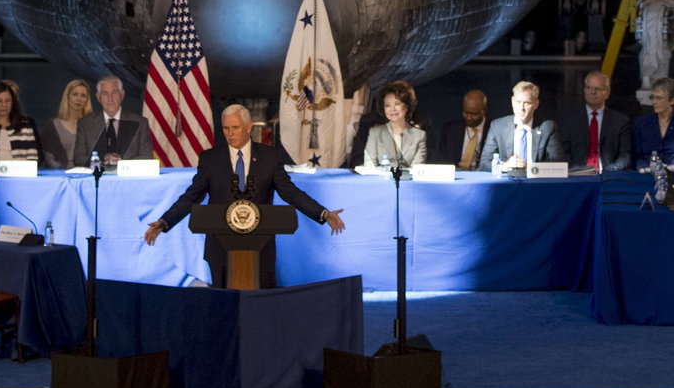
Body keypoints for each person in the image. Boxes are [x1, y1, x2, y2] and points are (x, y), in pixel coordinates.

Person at [146, 102, 347, 285]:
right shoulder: (210, 159)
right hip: (220, 248)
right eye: (226, 128)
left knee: (262, 304)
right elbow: (191, 196)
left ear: (249, 127)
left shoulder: (270, 156)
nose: (230, 133)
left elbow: (290, 193)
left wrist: (323, 213)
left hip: (261, 247)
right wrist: (165, 222)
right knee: (224, 306)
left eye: (235, 128)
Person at [479, 81, 562, 168]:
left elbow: (558, 164)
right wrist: (505, 165)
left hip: (536, 180)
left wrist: (530, 168)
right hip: (508, 180)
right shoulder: (498, 126)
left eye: (527, 103)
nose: (521, 108)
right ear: (512, 101)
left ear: (536, 104)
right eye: (518, 102)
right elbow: (484, 163)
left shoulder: (547, 127)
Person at [631, 77, 674, 170]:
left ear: (672, 100)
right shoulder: (642, 123)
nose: (654, 102)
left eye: (659, 98)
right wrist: (646, 168)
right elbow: (636, 155)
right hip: (647, 175)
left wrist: (671, 168)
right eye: (652, 97)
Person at [571, 70, 633, 172]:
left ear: (607, 92)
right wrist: (578, 171)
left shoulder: (620, 121)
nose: (592, 92)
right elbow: (565, 154)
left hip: (609, 176)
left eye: (597, 89)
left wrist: (608, 172)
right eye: (589, 88)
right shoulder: (571, 121)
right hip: (578, 176)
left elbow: (625, 156)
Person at [83, 76, 154, 163]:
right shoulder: (85, 123)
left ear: (122, 95)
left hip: (129, 176)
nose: (110, 98)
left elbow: (147, 157)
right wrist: (103, 161)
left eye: (114, 93)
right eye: (105, 93)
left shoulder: (140, 122)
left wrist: (121, 163)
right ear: (98, 97)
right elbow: (79, 158)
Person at [359, 81, 428, 169]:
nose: (392, 109)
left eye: (397, 104)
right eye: (387, 105)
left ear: (406, 107)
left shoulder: (419, 135)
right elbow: (369, 165)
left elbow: (418, 168)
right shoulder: (375, 132)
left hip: (407, 181)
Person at [38, 79, 93, 169]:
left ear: (87, 99)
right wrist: (61, 171)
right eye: (75, 94)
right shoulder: (53, 125)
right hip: (60, 174)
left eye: (83, 95)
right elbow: (48, 156)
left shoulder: (92, 125)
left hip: (87, 174)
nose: (79, 99)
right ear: (67, 97)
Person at [439, 88, 493, 171]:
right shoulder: (450, 129)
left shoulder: (493, 129)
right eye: (466, 112)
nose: (469, 117)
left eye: (474, 114)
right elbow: (441, 159)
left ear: (484, 110)